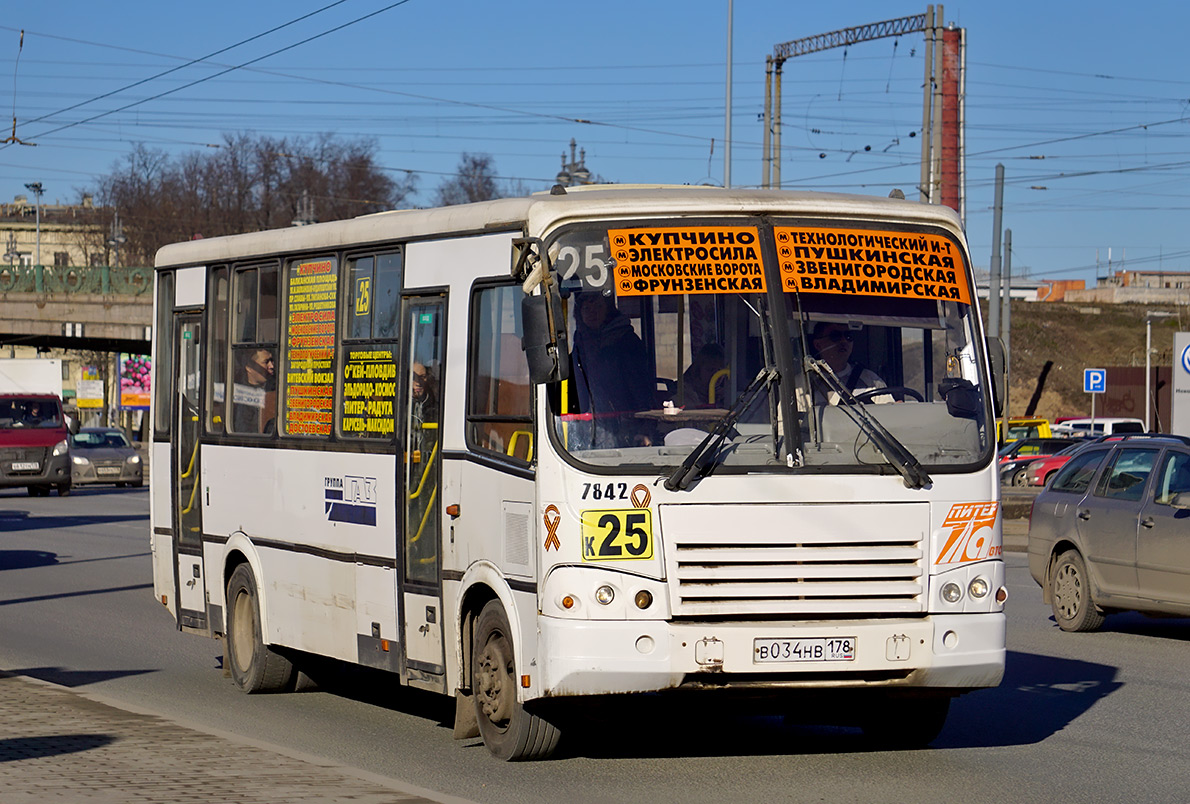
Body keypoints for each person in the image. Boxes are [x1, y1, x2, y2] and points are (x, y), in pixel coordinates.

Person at [569, 291, 654, 447]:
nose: (592, 313)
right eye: (586, 308)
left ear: (608, 310)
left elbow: (640, 387)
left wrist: (643, 425)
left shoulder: (627, 341)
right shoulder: (580, 341)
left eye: (598, 307)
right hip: (587, 421)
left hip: (624, 422)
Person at [804, 322, 889, 405]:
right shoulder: (803, 383)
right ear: (818, 345)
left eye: (848, 336)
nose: (844, 341)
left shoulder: (871, 380)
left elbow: (888, 414)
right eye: (835, 336)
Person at [681, 342, 727, 408]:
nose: (715, 375)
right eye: (710, 370)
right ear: (698, 370)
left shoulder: (728, 392)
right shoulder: (686, 394)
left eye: (720, 370)